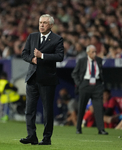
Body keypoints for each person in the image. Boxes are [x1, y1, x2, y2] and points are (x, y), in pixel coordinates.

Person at [20, 14, 64, 145]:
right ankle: (31, 135)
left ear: (51, 25)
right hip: (32, 78)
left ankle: (46, 138)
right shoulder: (32, 36)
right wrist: (32, 59)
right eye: (40, 22)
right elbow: (24, 53)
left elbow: (60, 56)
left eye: (45, 23)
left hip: (47, 80)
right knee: (29, 109)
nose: (42, 25)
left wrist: (42, 55)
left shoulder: (57, 39)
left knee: (47, 110)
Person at [72, 45, 108, 135]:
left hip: (97, 85)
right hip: (85, 85)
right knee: (81, 107)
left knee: (99, 108)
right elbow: (74, 73)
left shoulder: (99, 60)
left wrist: (101, 83)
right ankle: (78, 128)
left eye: (95, 52)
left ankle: (101, 129)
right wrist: (80, 84)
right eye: (92, 52)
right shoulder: (82, 61)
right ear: (88, 52)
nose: (94, 54)